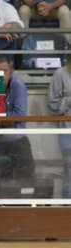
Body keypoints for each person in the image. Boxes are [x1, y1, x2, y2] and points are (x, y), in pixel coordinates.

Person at [48, 55, 71, 197]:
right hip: (68, 131)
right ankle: (67, 206)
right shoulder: (60, 74)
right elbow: (52, 105)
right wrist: (69, 100)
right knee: (70, 169)